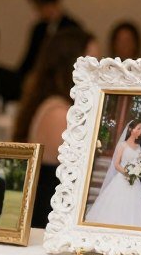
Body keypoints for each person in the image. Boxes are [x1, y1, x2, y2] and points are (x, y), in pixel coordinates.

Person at [13, 28, 98, 228]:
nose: (98, 71)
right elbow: (79, 176)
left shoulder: (56, 105)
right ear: (71, 65)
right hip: (51, 220)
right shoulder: (59, 114)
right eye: (92, 63)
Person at [84, 118, 141, 228]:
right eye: (138, 128)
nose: (140, 131)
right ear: (130, 129)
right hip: (122, 179)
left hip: (135, 182)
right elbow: (117, 164)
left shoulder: (139, 147)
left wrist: (137, 171)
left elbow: (138, 163)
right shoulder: (122, 145)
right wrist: (128, 173)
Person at [17, 0, 82, 82]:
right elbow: (30, 59)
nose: (36, 11)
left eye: (38, 6)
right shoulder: (39, 29)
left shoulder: (72, 28)